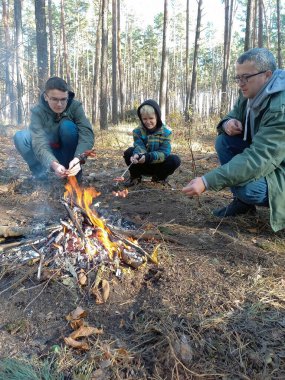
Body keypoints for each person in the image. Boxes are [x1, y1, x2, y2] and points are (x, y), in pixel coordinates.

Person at [182, 47, 285, 232]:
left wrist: (207, 181)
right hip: (269, 162)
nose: (240, 83)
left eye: (246, 77)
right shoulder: (251, 93)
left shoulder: (281, 107)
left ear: (267, 75)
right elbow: (231, 116)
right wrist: (228, 123)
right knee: (224, 141)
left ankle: (257, 201)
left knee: (246, 189)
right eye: (238, 78)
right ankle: (243, 204)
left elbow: (259, 159)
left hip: (278, 168)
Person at [13, 76, 94, 182]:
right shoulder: (37, 112)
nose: (59, 104)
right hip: (48, 155)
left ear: (68, 96)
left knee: (67, 127)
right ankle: (40, 176)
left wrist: (78, 158)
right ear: (46, 97)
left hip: (70, 155)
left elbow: (86, 133)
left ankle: (73, 173)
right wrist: (54, 165)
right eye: (54, 99)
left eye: (63, 99)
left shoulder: (75, 107)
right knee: (20, 137)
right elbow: (39, 143)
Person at [123, 99, 181, 186]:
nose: (148, 121)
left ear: (157, 117)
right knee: (129, 152)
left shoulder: (166, 132)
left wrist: (148, 157)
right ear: (141, 118)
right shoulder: (137, 131)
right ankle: (135, 177)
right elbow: (139, 146)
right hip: (142, 164)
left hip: (158, 165)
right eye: (144, 119)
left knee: (174, 160)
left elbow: (164, 153)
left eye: (151, 118)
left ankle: (158, 178)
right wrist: (137, 155)